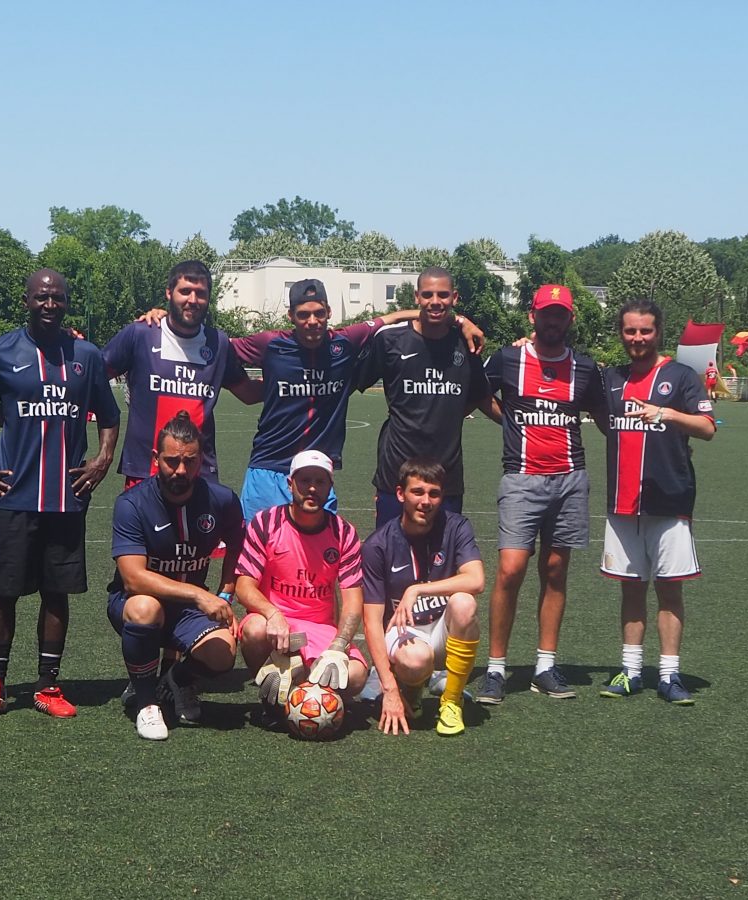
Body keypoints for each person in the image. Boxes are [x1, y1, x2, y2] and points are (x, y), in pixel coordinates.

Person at [0, 268, 120, 719]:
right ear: (26, 301)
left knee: (56, 593)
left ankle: (48, 686)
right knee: (3, 593)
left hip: (66, 499)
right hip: (12, 497)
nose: (50, 304)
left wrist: (103, 459)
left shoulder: (86, 355)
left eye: (57, 297)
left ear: (67, 302)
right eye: (41, 297)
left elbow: (109, 416)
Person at [228, 278, 483, 521]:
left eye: (319, 313)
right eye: (303, 315)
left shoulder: (345, 341)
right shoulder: (270, 343)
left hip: (318, 471)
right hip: (270, 466)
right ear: (290, 316)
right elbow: (223, 349)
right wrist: (247, 387)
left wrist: (459, 320)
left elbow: (392, 318)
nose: (312, 321)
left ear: (329, 312)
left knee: (316, 548)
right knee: (258, 544)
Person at [479, 284, 607, 704]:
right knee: (510, 569)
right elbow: (479, 393)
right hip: (521, 478)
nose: (553, 320)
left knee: (555, 571)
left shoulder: (585, 368)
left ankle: (545, 666)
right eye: (546, 313)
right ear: (532, 316)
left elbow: (605, 417)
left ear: (570, 319)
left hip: (570, 480)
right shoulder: (508, 358)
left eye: (561, 314)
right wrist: (509, 421)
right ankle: (496, 668)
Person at [597, 299, 716, 705]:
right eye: (630, 331)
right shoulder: (610, 378)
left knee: (669, 590)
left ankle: (669, 675)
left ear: (658, 332)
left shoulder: (680, 376)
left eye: (645, 330)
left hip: (669, 502)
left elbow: (707, 427)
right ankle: (630, 671)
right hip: (622, 503)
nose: (637, 338)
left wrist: (666, 414)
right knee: (631, 590)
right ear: (621, 333)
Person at [107, 412, 245, 740]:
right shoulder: (132, 504)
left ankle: (176, 680)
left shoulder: (222, 500)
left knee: (223, 651)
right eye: (172, 461)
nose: (181, 470)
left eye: (190, 461)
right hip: (133, 603)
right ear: (156, 459)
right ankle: (146, 703)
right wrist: (199, 594)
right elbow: (133, 578)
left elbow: (238, 544)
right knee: (145, 607)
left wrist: (226, 593)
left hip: (187, 611)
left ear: (201, 460)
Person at [235, 450, 369, 724]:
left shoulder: (343, 533)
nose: (312, 488)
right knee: (253, 629)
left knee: (356, 677)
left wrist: (339, 645)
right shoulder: (266, 523)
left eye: (320, 482)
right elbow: (244, 586)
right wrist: (273, 614)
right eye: (305, 480)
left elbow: (353, 601)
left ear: (330, 487)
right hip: (275, 626)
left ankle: (298, 687)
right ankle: (274, 702)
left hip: (318, 629)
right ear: (290, 483)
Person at [102, 260, 259, 488]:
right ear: (169, 292)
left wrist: (292, 374)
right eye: (185, 291)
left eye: (200, 293)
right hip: (146, 471)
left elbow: (248, 393)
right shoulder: (141, 334)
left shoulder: (218, 343)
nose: (192, 300)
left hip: (199, 473)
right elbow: (92, 378)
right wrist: (67, 341)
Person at [355, 266, 490, 526]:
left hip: (446, 478)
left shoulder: (466, 344)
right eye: (427, 294)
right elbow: (352, 381)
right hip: (396, 474)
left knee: (444, 552)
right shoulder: (390, 341)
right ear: (417, 297)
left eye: (443, 295)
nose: (435, 301)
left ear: (454, 297)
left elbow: (480, 396)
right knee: (390, 548)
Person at [361, 459, 484, 736]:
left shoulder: (456, 527)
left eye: (434, 494)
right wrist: (388, 688)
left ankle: (451, 701)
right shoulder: (378, 545)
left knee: (464, 603)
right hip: (405, 632)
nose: (426, 501)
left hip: (442, 629)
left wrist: (417, 589)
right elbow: (371, 623)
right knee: (416, 660)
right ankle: (411, 688)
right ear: (401, 494)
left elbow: (476, 580)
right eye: (417, 492)